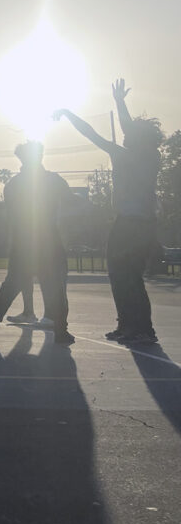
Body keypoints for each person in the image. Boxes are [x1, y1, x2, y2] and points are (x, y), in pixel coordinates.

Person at [56, 78, 163, 345]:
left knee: (121, 276)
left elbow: (91, 133)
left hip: (128, 225)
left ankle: (136, 327)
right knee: (131, 277)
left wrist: (69, 114)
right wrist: (119, 103)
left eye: (129, 133)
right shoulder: (151, 156)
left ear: (136, 138)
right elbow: (130, 128)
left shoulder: (123, 154)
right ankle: (136, 326)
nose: (125, 133)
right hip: (146, 225)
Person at [0, 141, 74, 344]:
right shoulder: (53, 180)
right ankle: (61, 330)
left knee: (11, 285)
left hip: (23, 241)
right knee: (56, 286)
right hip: (48, 240)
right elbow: (70, 203)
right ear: (40, 156)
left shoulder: (13, 185)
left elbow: (12, 216)